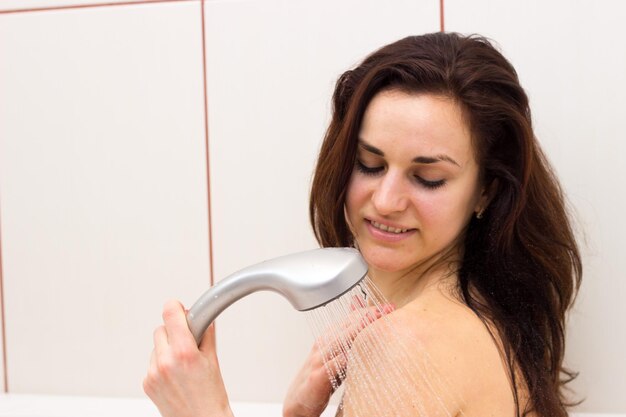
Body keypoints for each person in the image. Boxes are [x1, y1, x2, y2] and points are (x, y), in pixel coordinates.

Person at [143, 32, 582, 417]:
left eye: (428, 178)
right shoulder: (489, 321)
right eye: (369, 164)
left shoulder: (408, 346)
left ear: (485, 190)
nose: (386, 201)